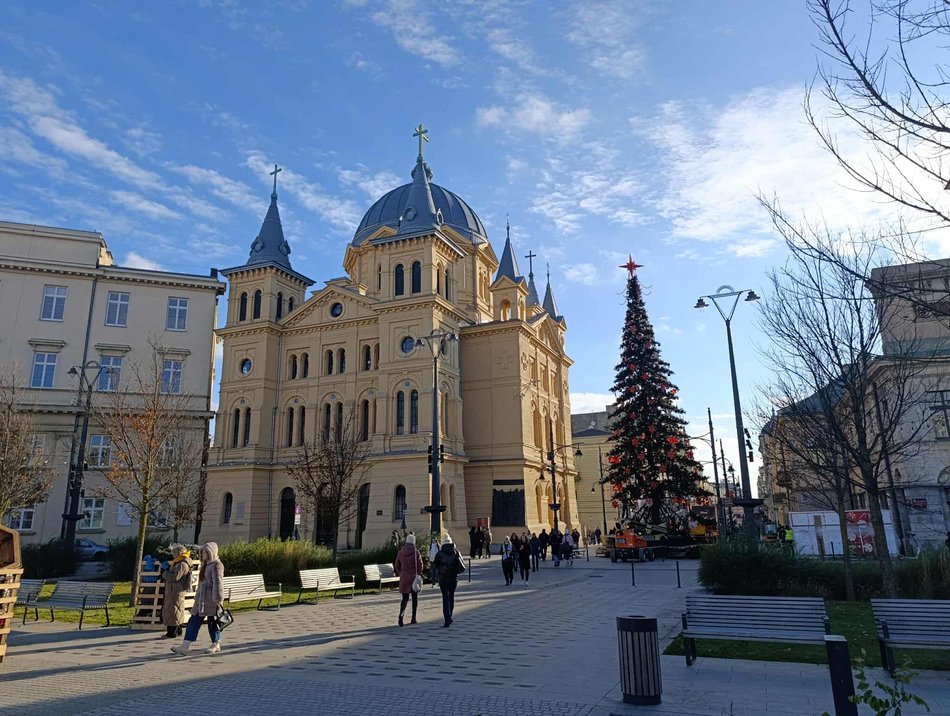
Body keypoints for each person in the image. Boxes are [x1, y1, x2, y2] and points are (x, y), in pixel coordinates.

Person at [171, 542, 224, 656]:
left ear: (211, 552)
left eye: (206, 552)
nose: (203, 554)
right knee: (193, 621)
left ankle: (216, 644)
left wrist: (218, 599)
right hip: (201, 599)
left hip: (211, 599)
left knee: (213, 622)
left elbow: (218, 583)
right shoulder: (204, 564)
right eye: (202, 552)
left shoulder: (216, 565)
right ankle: (185, 646)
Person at [160, 543, 193, 639]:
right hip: (174, 590)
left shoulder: (182, 564)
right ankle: (178, 630)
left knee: (173, 611)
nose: (173, 555)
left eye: (174, 553)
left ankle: (171, 633)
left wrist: (164, 573)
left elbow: (175, 577)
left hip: (175, 591)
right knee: (175, 610)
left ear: (179, 553)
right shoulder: (181, 562)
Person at [433, 534, 465, 627]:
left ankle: (447, 619)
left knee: (445, 597)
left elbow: (435, 565)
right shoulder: (456, 552)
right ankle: (450, 615)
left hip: (443, 579)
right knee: (451, 596)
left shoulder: (440, 553)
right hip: (454, 578)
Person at [394, 533, 424, 626]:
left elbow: (396, 565)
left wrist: (401, 573)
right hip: (413, 577)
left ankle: (401, 614)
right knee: (414, 598)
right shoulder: (416, 552)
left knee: (405, 598)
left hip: (404, 577)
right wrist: (419, 573)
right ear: (414, 542)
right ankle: (413, 618)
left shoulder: (401, 552)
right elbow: (420, 564)